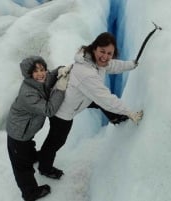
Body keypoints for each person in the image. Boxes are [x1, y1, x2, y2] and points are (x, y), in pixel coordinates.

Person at [37, 32, 143, 179]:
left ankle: (115, 117)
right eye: (102, 51)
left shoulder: (93, 60)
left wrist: (132, 64)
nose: (105, 56)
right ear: (94, 48)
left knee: (99, 102)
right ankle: (44, 167)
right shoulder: (86, 72)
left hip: (79, 98)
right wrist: (129, 112)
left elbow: (112, 65)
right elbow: (105, 98)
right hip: (62, 111)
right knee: (56, 141)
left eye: (109, 53)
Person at [6, 56, 70, 201]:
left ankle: (32, 157)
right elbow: (49, 110)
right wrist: (60, 89)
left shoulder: (39, 81)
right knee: (22, 167)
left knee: (28, 148)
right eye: (35, 71)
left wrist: (60, 69)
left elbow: (50, 76)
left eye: (42, 69)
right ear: (28, 75)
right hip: (18, 134)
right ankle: (30, 193)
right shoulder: (28, 93)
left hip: (26, 132)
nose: (40, 74)